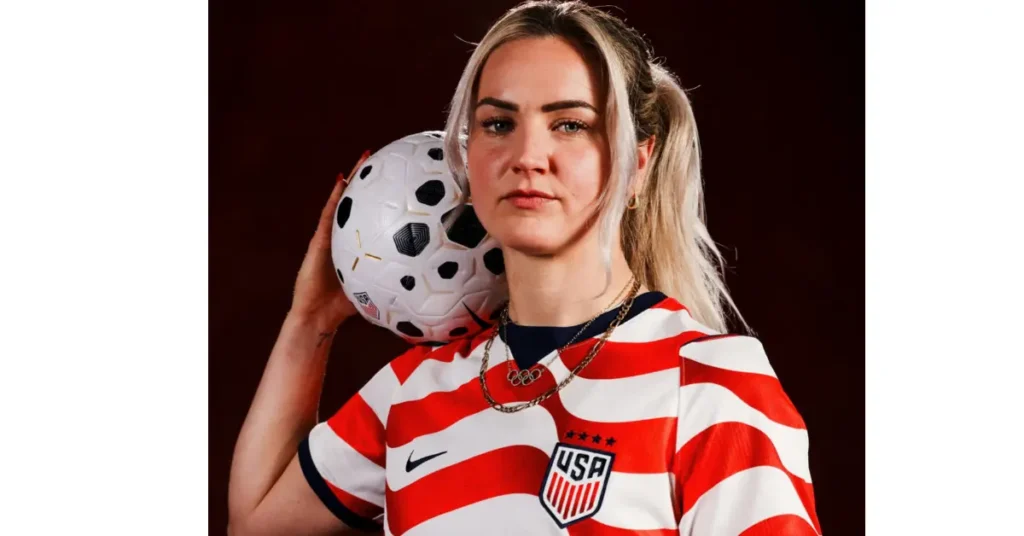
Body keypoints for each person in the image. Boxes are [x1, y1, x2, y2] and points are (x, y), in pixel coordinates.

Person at [227, 1, 821, 534]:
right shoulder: (414, 391)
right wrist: (312, 318)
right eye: (498, 124)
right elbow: (257, 523)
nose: (527, 157)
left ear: (638, 164)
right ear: (467, 157)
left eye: (570, 124)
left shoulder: (712, 383)